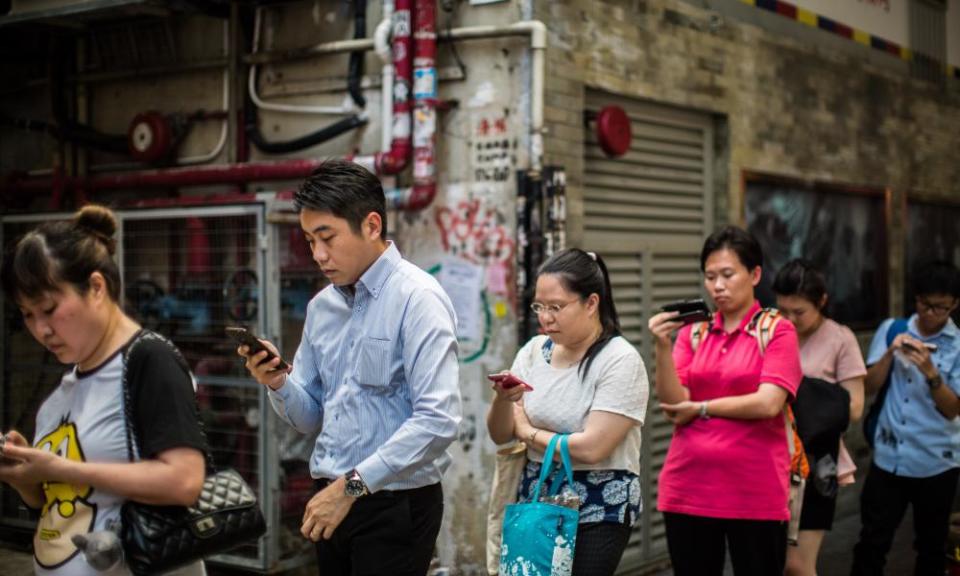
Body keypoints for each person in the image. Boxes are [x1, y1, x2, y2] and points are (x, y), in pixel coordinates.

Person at [237, 159, 461, 576]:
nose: (319, 255)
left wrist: (351, 487)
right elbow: (309, 418)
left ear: (372, 225)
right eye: (309, 241)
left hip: (394, 505)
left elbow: (438, 420)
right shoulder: (321, 308)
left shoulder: (418, 299)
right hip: (332, 498)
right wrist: (278, 383)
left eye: (328, 238)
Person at [0, 205, 208, 576]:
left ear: (96, 287)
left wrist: (63, 467)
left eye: (48, 308)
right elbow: (61, 506)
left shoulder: (149, 360)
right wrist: (26, 476)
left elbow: (184, 481)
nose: (40, 329)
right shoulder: (62, 394)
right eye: (27, 314)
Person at [647, 226, 803, 576]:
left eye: (728, 275)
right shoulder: (694, 332)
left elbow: (768, 404)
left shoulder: (777, 330)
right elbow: (675, 405)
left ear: (755, 274)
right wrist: (661, 345)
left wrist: (703, 407)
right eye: (710, 276)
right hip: (688, 488)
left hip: (756, 492)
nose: (717, 286)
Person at [486, 248, 649, 576]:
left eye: (556, 307)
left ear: (591, 303)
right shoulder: (534, 351)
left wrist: (527, 432)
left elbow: (592, 448)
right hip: (537, 493)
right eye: (539, 306)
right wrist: (503, 401)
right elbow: (500, 433)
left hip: (601, 504)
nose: (545, 317)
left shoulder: (620, 360)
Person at [851, 260, 960, 576]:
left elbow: (952, 409)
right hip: (889, 459)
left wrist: (931, 372)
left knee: (930, 548)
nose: (930, 314)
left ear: (954, 305)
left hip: (937, 462)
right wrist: (889, 354)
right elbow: (868, 388)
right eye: (925, 304)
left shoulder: (957, 345)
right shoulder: (892, 329)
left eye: (940, 308)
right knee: (871, 543)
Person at [772, 259, 866, 576]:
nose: (788, 319)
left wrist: (798, 392)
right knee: (769, 559)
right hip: (770, 457)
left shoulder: (841, 339)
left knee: (797, 565)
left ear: (822, 301)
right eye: (782, 310)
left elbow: (853, 407)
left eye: (799, 312)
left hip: (815, 462)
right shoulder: (769, 330)